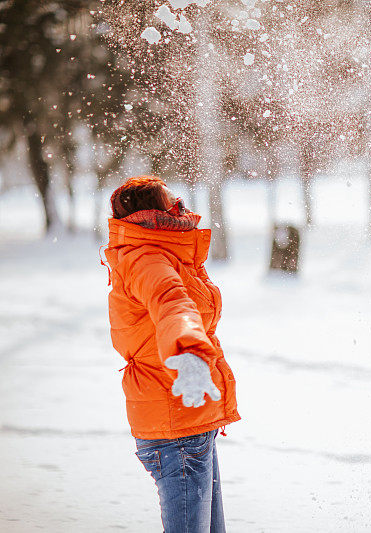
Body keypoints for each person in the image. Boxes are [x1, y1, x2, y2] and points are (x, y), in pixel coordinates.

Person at [103, 175, 240, 532]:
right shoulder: (148, 260)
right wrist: (191, 355)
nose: (182, 208)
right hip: (175, 429)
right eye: (174, 203)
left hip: (189, 422)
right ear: (157, 214)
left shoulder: (160, 255)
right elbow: (173, 307)